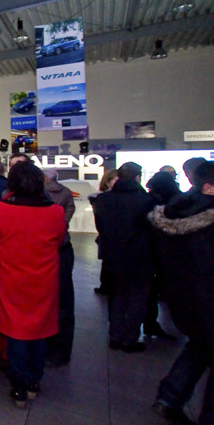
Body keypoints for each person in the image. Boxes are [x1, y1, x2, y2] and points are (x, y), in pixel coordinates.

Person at [0, 161, 65, 407]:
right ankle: (33, 380)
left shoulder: (0, 209)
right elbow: (59, 240)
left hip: (11, 279)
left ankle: (18, 385)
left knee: (16, 332)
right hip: (44, 280)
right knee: (40, 330)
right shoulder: (55, 211)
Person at [149, 160, 214, 425]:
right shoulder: (203, 218)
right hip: (204, 297)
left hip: (183, 297)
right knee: (202, 346)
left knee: (200, 348)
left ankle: (170, 397)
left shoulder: (174, 212)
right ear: (208, 186)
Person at [92, 162, 156, 353]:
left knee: (117, 296)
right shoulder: (146, 201)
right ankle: (129, 338)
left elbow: (101, 228)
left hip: (113, 255)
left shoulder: (103, 200)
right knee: (137, 298)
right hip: (139, 257)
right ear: (138, 177)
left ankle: (115, 336)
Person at [43, 169, 76, 367]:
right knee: (63, 301)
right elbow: (68, 214)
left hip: (48, 251)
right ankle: (60, 349)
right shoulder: (65, 193)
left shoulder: (38, 198)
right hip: (61, 248)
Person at [143, 171, 181, 340]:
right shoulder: (178, 202)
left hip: (151, 253)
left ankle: (151, 323)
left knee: (149, 292)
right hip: (170, 255)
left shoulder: (148, 202)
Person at [90, 168, 119, 295]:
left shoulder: (100, 199)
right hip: (108, 235)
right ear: (108, 182)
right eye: (115, 180)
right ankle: (107, 285)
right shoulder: (101, 199)